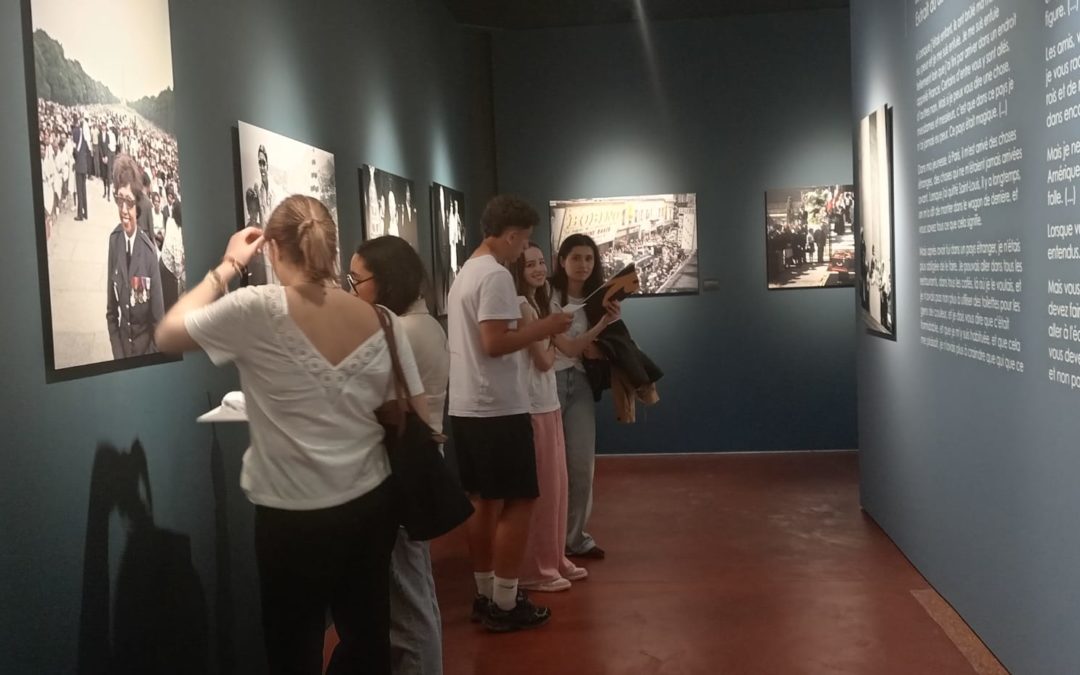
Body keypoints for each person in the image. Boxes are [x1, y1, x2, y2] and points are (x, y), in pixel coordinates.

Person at [155, 194, 427, 675]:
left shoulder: (255, 309)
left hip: (288, 516)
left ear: (273, 250)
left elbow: (168, 333)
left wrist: (226, 268)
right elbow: (413, 414)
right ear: (332, 249)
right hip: (368, 508)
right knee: (367, 643)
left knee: (291, 650)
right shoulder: (383, 321)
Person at [447, 196, 573, 632]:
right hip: (497, 407)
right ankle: (504, 600)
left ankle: (487, 593)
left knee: (483, 501)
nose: (525, 253)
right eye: (525, 243)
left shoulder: (464, 272)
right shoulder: (497, 275)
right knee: (519, 500)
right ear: (513, 235)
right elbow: (495, 342)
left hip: (467, 405)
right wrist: (546, 327)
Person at [350, 235, 448, 675]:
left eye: (356, 280)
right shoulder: (422, 323)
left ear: (384, 281)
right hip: (413, 469)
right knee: (415, 591)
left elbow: (384, 405)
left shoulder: (400, 331)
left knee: (406, 605)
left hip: (399, 475)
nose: (351, 290)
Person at [511, 243, 603, 593]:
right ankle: (541, 565)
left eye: (538, 262)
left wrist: (599, 323)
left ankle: (558, 553)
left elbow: (561, 348)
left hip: (549, 398)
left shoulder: (537, 302)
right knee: (546, 486)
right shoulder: (528, 305)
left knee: (564, 480)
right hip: (536, 401)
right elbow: (549, 358)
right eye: (528, 264)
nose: (536, 269)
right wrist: (551, 333)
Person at [550, 233, 619, 560]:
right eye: (575, 257)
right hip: (545, 383)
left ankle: (575, 538)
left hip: (579, 383)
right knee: (549, 467)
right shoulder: (546, 293)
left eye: (589, 258)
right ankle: (548, 540)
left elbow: (611, 345)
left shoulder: (601, 299)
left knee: (580, 465)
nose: (583, 264)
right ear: (562, 260)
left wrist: (606, 334)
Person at [106, 155, 164, 360]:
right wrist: (119, 356)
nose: (123, 210)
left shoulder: (149, 255)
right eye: (119, 199)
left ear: (137, 205)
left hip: (144, 357)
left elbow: (159, 325)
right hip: (121, 353)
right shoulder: (114, 242)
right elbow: (111, 313)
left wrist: (144, 362)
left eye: (129, 202)